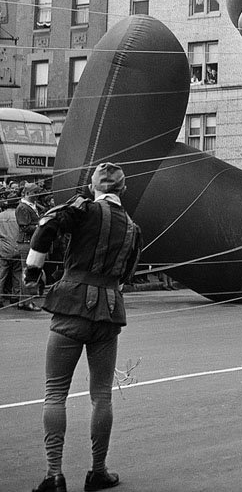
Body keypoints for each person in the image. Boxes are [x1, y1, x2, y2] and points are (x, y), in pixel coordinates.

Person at [27, 163, 143, 492]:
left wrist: (33, 270)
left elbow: (47, 224)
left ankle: (54, 476)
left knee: (55, 394)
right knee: (102, 396)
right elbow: (127, 275)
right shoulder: (133, 227)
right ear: (123, 189)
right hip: (108, 313)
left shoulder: (85, 208)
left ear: (94, 187)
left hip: (70, 307)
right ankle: (98, 472)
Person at [16, 183, 44, 310]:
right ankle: (27, 302)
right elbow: (25, 227)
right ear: (27, 193)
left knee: (27, 272)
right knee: (28, 272)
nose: (37, 195)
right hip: (26, 243)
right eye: (35, 192)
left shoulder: (31, 206)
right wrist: (40, 227)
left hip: (29, 242)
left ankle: (24, 301)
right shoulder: (22, 208)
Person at [0, 199, 20, 307]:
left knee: (2, 274)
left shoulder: (0, 216)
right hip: (17, 247)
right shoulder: (18, 216)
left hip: (3, 248)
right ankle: (16, 297)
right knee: (17, 273)